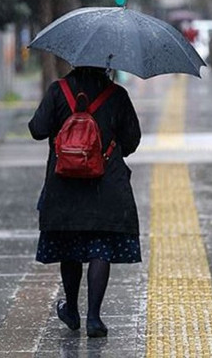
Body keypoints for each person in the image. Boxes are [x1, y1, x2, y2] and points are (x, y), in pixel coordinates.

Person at [28, 66, 141, 338]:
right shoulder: (117, 94)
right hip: (106, 185)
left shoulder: (59, 90)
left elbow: (37, 129)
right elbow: (132, 140)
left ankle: (71, 311)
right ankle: (94, 318)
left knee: (70, 247)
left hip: (64, 185)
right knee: (100, 247)